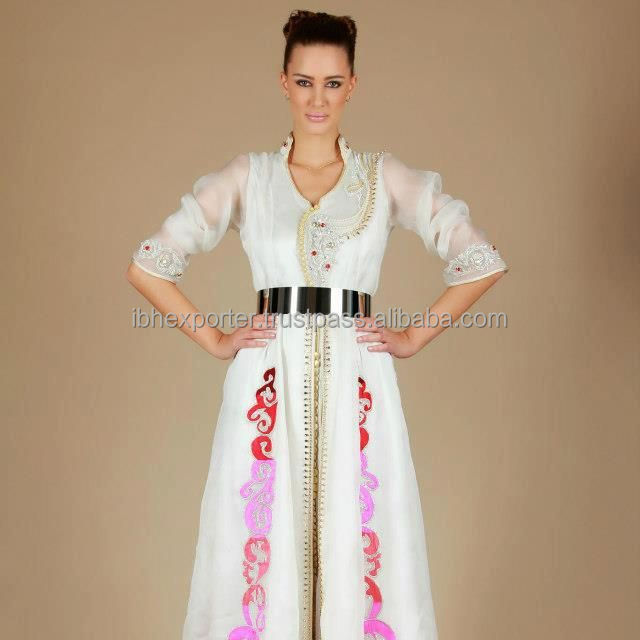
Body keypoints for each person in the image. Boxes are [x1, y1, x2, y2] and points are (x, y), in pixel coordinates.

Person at [126, 9, 509, 640]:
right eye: (304, 82)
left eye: (332, 83)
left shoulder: (382, 178)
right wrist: (214, 338)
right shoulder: (250, 177)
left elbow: (479, 259)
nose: (317, 99)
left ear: (352, 86)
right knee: (263, 534)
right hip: (267, 381)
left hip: (358, 382)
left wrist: (413, 335)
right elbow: (149, 265)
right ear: (283, 81)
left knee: (358, 535)